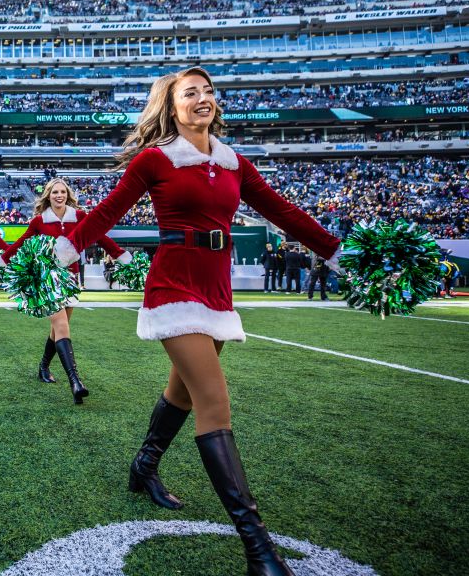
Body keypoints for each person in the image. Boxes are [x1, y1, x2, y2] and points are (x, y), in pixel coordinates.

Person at [54, 66, 342, 576]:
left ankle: (143, 467)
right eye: (192, 93)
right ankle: (259, 551)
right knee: (214, 401)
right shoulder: (155, 160)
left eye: (209, 91)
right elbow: (107, 211)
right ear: (172, 106)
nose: (204, 98)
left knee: (184, 393)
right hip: (174, 285)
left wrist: (337, 251)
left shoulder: (233, 163)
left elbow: (283, 212)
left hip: (217, 288)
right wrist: (66, 246)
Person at [0, 178, 129, 402]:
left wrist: (119, 254)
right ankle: (75, 381)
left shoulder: (79, 217)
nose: (58, 195)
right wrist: (2, 260)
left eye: (62, 192)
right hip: (47, 278)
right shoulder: (40, 221)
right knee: (60, 324)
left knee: (59, 327)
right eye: (54, 192)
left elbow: (100, 236)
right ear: (47, 195)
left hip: (71, 278)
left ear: (67, 195)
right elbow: (21, 242)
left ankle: (43, 367)